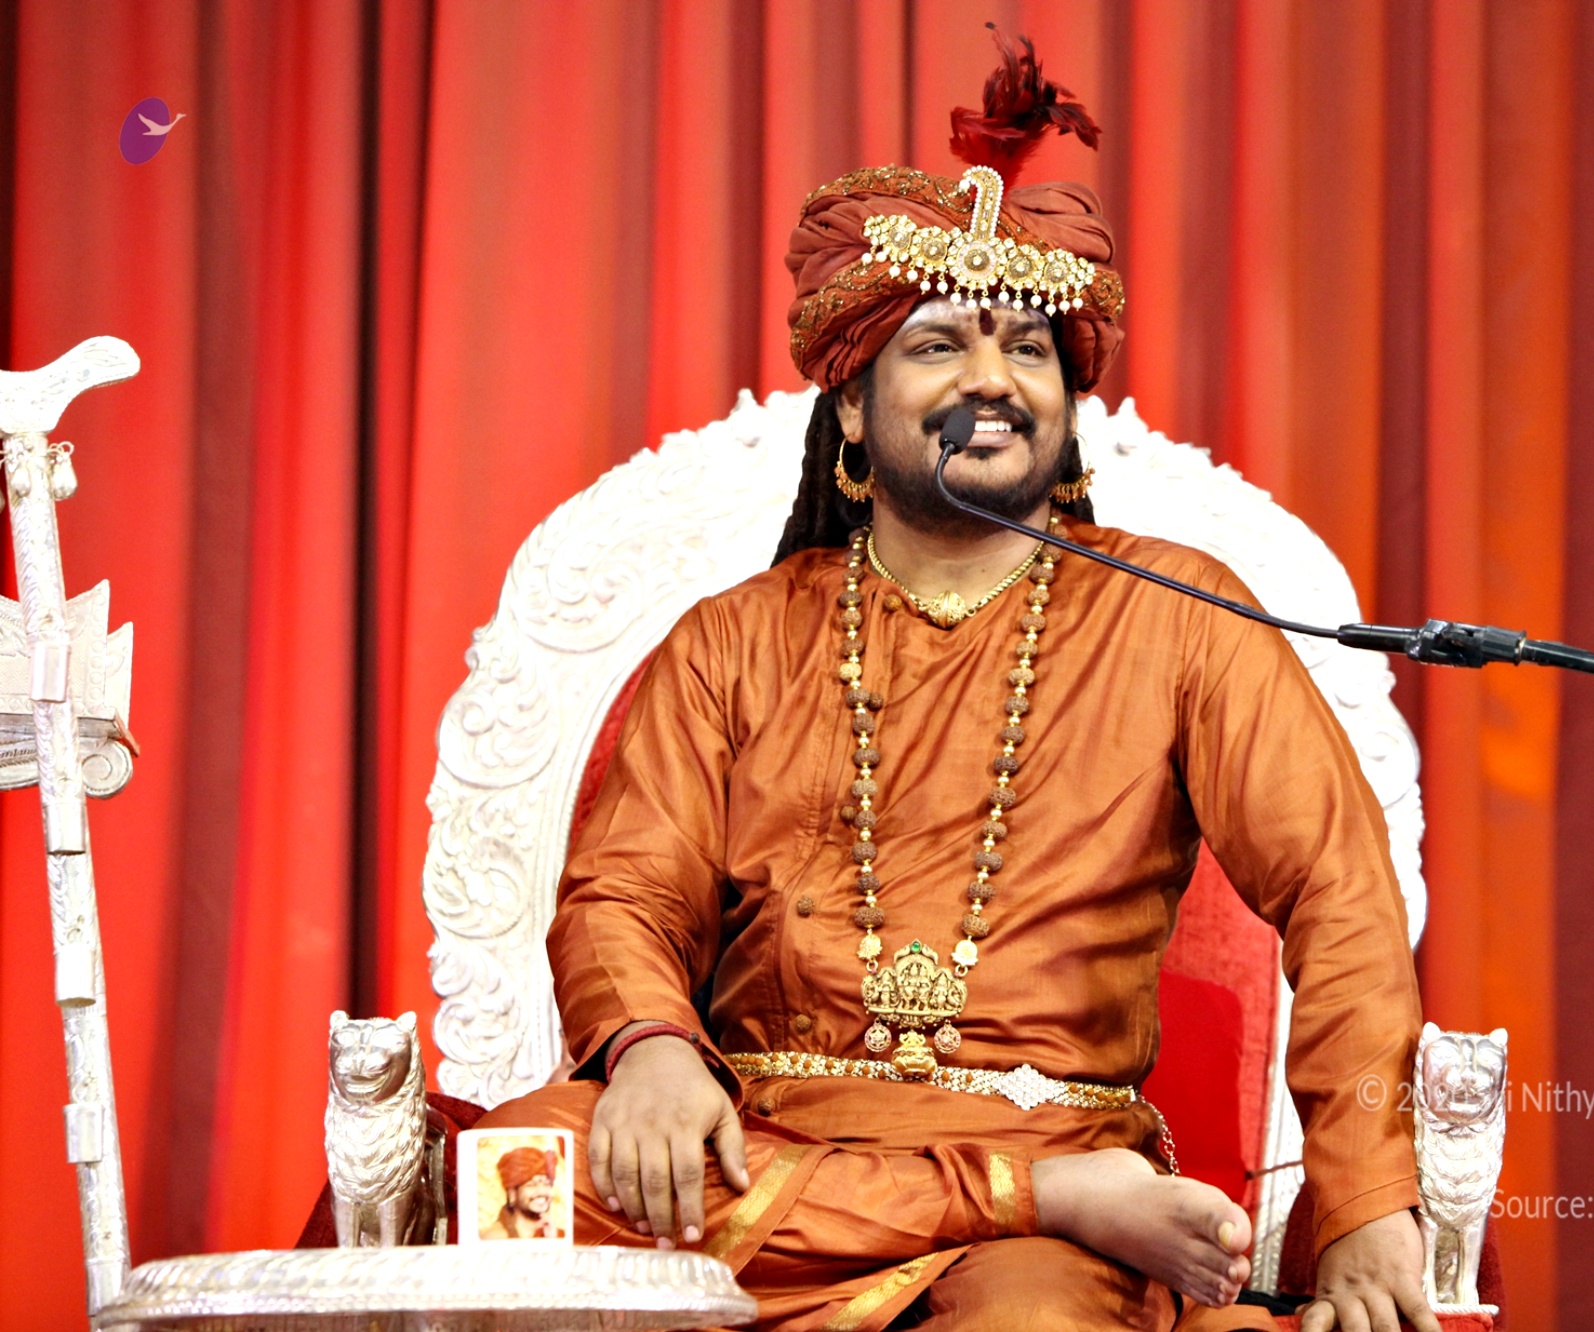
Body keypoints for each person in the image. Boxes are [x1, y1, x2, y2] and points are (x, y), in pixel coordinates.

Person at [479, 36, 1436, 1332]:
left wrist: (1368, 1202)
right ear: (853, 409)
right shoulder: (733, 640)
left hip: (1031, 1165)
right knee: (522, 1173)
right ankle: (1039, 1201)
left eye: (1028, 350)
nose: (992, 377)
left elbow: (1339, 891)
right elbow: (623, 891)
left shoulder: (1179, 615)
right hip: (765, 1149)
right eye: (938, 345)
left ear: (1064, 408)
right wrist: (648, 1050)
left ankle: (1035, 1208)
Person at [481, 1146, 562, 1240]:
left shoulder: (558, 1235)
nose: (541, 1191)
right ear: (512, 1194)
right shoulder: (494, 1238)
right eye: (531, 1185)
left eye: (546, 1184)